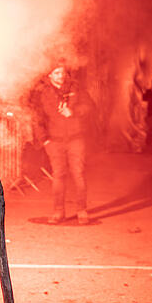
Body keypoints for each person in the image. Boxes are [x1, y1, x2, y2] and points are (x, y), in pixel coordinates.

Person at [30, 62, 94, 225]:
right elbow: (37, 118)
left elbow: (90, 106)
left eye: (62, 72)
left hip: (76, 138)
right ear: (49, 76)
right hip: (55, 141)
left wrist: (73, 112)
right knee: (58, 175)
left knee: (78, 174)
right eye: (56, 73)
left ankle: (82, 210)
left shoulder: (76, 88)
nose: (60, 76)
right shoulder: (42, 93)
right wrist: (44, 140)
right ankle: (58, 211)